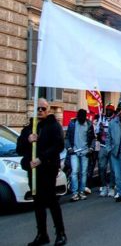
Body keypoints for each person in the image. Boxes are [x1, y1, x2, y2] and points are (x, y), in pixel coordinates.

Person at [17, 98, 67, 246]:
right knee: (38, 203)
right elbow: (19, 148)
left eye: (43, 109)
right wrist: (28, 139)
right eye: (38, 108)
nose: (40, 111)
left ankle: (60, 233)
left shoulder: (53, 126)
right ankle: (42, 234)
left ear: (48, 110)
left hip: (48, 169)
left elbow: (58, 146)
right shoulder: (29, 127)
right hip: (33, 171)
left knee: (52, 201)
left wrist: (41, 159)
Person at [65, 109, 95, 201]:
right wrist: (69, 148)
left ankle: (81, 192)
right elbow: (67, 137)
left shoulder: (89, 125)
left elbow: (93, 138)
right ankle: (75, 193)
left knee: (83, 173)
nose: (81, 119)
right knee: (74, 172)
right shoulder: (72, 124)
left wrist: (91, 148)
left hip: (85, 152)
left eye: (83, 117)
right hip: (74, 152)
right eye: (79, 117)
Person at [97, 104, 116, 197]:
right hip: (103, 146)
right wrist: (99, 129)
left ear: (113, 111)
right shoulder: (102, 118)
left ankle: (112, 187)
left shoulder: (116, 120)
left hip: (112, 147)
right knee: (101, 167)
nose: (108, 111)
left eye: (110, 110)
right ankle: (104, 186)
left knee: (113, 168)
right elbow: (97, 131)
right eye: (107, 110)